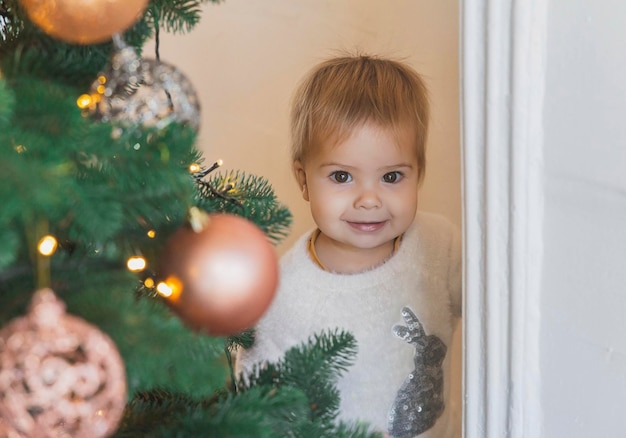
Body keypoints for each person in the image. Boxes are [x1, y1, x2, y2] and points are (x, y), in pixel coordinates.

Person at [236, 53, 462, 438]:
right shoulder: (283, 297)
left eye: (392, 176)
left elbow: (507, 312)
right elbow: (262, 409)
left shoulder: (440, 246)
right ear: (304, 180)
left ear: (418, 174)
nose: (369, 199)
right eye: (342, 176)